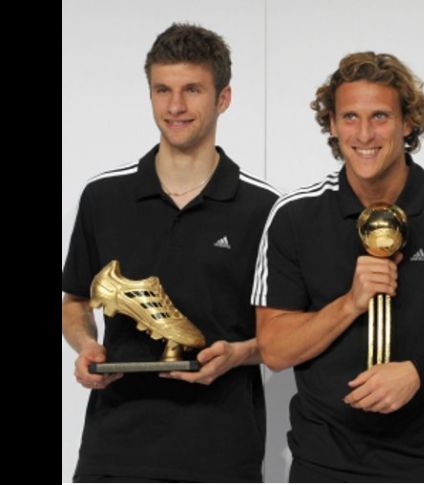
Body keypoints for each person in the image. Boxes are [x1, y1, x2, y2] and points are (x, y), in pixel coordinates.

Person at [253, 51, 424, 482]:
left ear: (408, 122)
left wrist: (420, 372)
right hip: (324, 464)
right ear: (331, 124)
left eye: (381, 117)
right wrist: (350, 303)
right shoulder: (294, 216)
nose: (364, 133)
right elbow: (275, 349)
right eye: (350, 117)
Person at [61, 23, 279, 482]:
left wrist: (240, 353)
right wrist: (86, 347)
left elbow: (290, 334)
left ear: (223, 98)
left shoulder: (265, 209)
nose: (175, 106)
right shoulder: (103, 198)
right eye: (162, 89)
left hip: (222, 451)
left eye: (192, 90)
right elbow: (76, 300)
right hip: (112, 451)